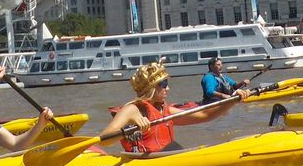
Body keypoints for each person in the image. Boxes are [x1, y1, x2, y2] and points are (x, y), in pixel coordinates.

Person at [101, 62, 243, 153]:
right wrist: (128, 129)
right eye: (163, 84)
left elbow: (205, 116)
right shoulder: (133, 110)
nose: (168, 88)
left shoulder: (166, 110)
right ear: (151, 88)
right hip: (145, 162)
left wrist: (232, 101)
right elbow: (104, 139)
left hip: (166, 156)